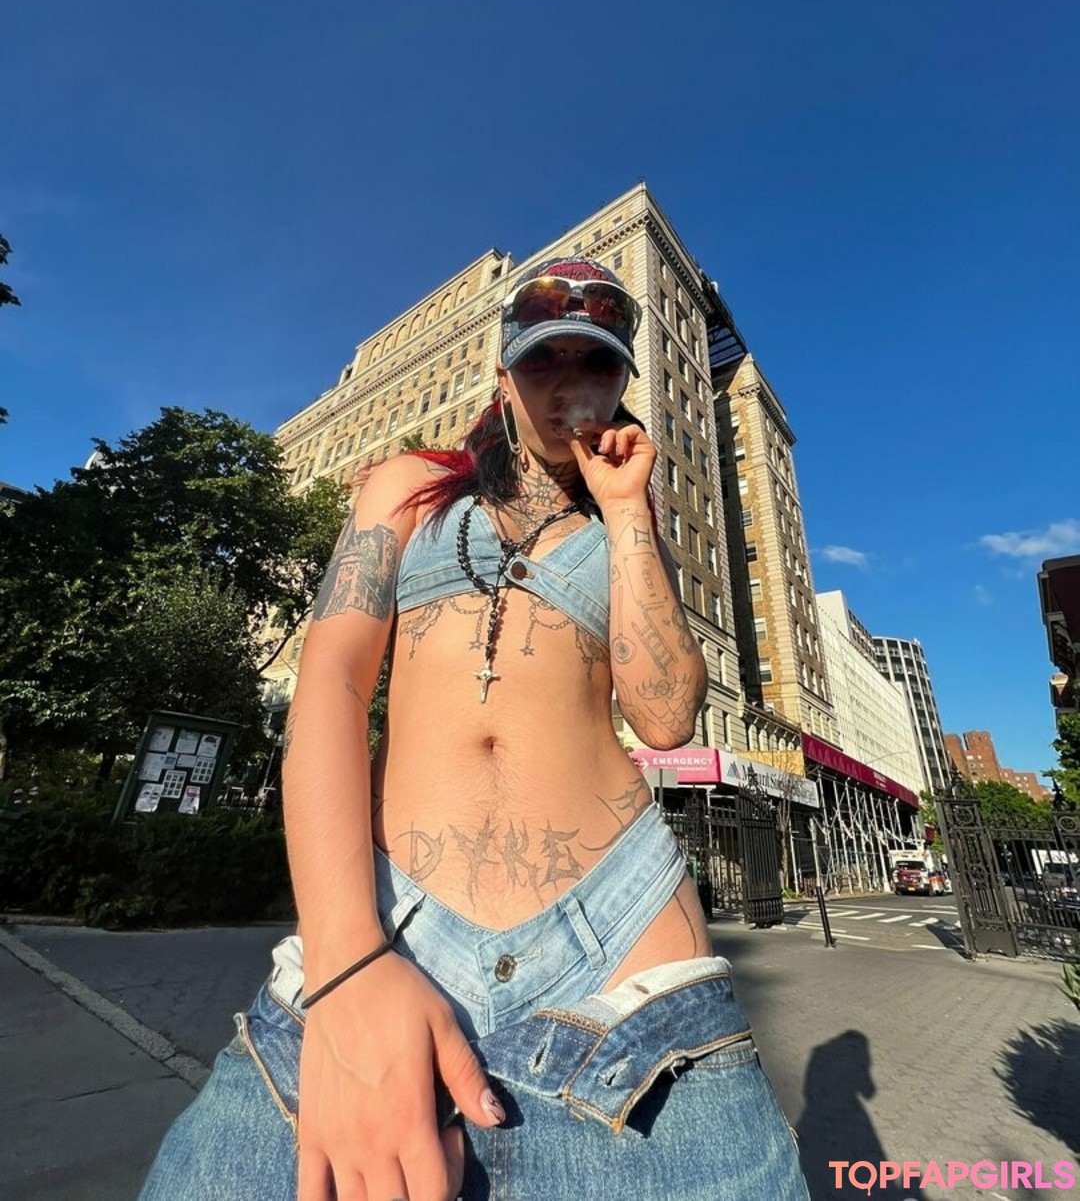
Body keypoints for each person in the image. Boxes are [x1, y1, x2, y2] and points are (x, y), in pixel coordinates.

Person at [139, 257, 808, 1200]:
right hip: (396, 915)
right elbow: (330, 683)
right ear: (504, 377)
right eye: (543, 361)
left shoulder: (627, 523)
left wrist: (627, 511)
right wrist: (346, 957)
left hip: (621, 936)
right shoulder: (410, 488)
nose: (568, 386)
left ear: (621, 379)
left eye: (595, 363)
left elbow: (664, 716)